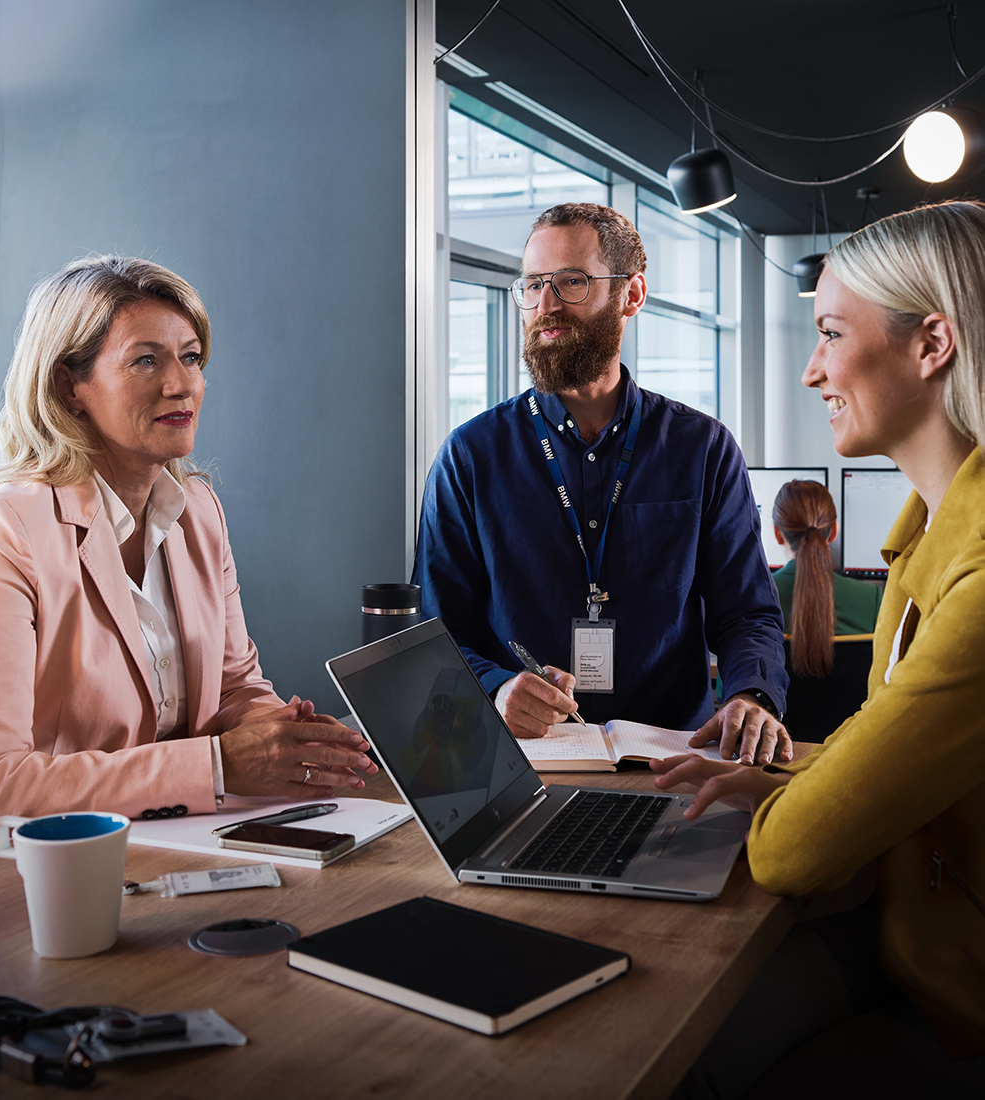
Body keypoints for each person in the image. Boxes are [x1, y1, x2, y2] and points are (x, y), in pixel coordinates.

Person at [0, 256, 376, 881]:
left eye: (192, 356)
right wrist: (220, 766)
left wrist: (285, 738)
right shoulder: (2, 528)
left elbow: (234, 686)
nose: (182, 384)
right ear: (70, 385)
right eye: (147, 360)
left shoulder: (197, 508)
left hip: (154, 852)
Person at [654, 201, 985, 1095]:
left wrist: (786, 801)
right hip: (908, 934)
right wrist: (792, 778)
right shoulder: (924, 541)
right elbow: (883, 741)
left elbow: (790, 856)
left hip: (958, 994)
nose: (811, 372)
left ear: (933, 345)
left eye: (832, 333)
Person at [412, 203, 790, 766]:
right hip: (522, 768)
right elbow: (434, 630)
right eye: (534, 285)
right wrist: (495, 688)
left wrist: (752, 697)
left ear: (631, 295)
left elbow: (747, 614)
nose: (545, 306)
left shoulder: (703, 449)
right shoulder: (470, 457)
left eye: (571, 282)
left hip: (675, 764)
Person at [770, 478, 881, 676]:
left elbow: (729, 689)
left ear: (778, 534)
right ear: (833, 532)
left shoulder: (755, 597)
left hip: (776, 708)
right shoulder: (872, 598)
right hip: (857, 708)